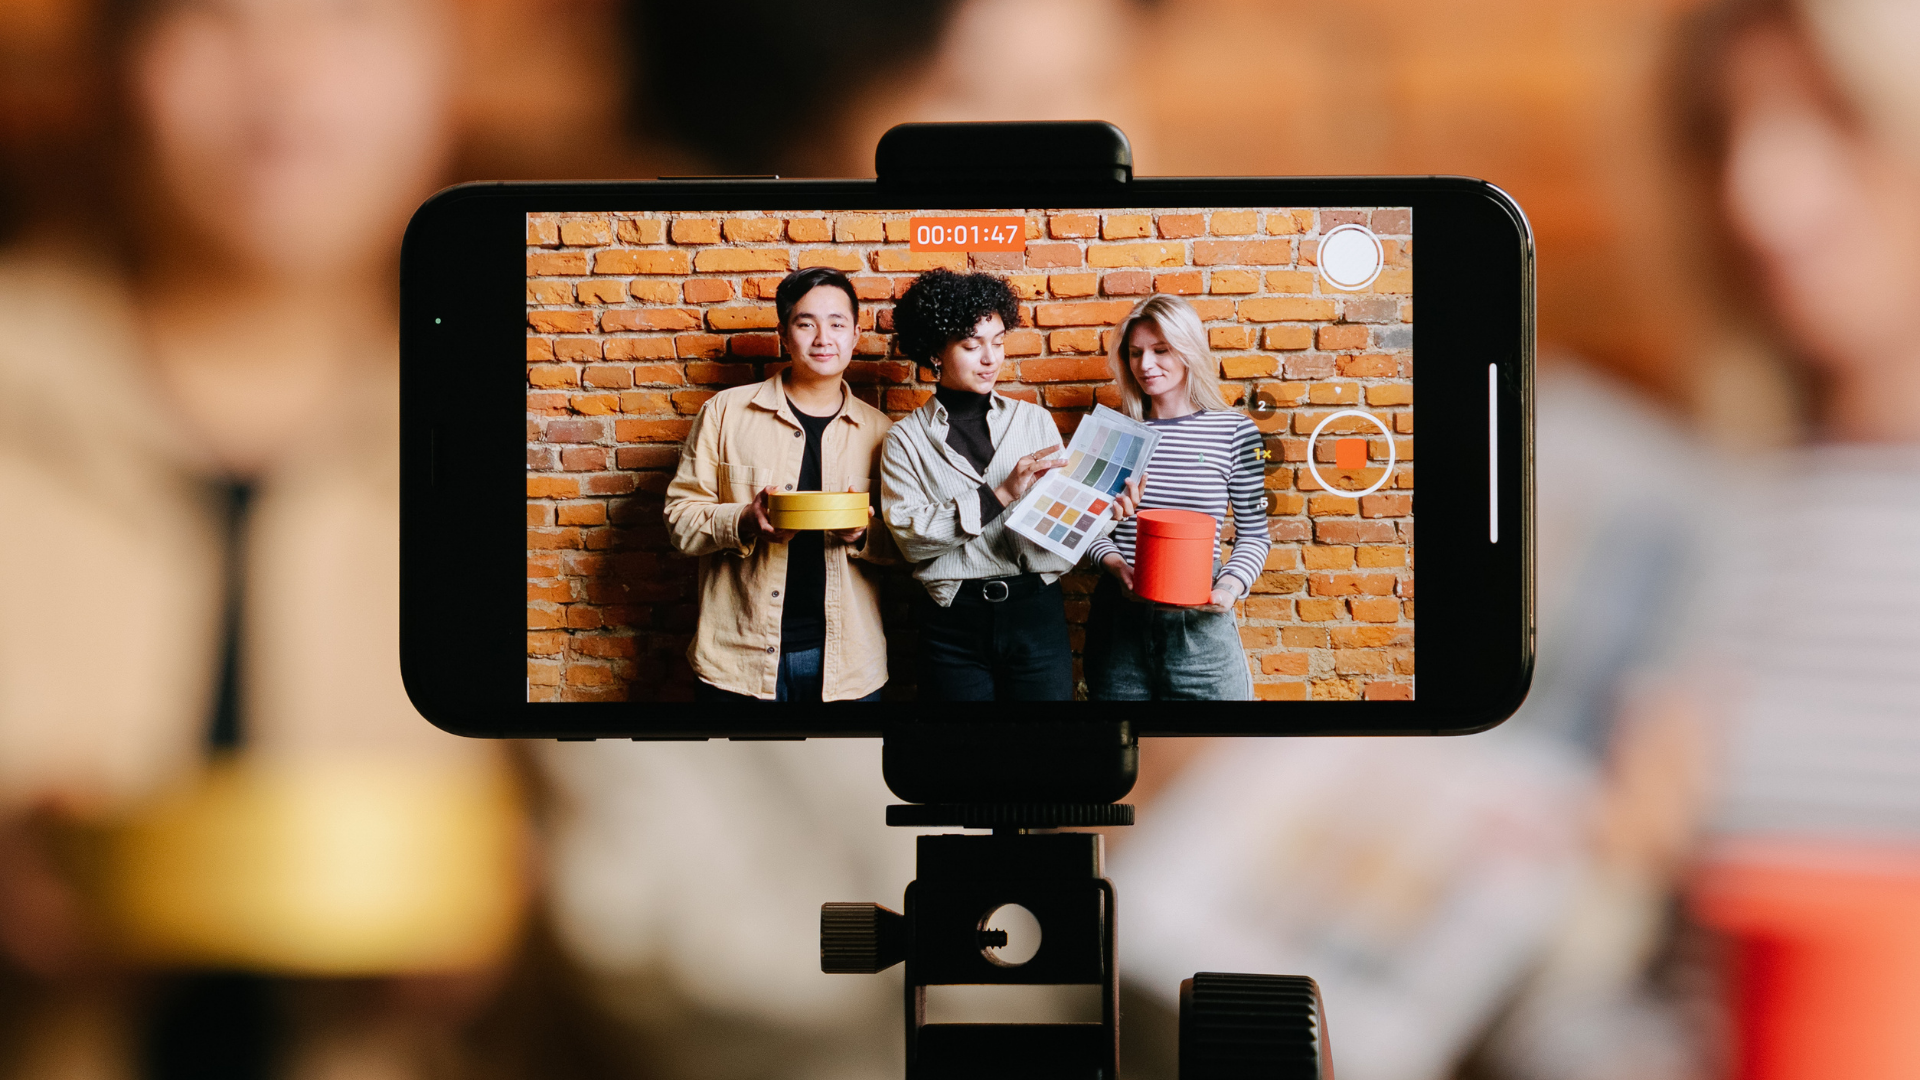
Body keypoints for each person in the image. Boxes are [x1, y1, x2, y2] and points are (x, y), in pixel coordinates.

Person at [664, 266, 894, 703]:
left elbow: (905, 544)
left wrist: (862, 533)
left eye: (837, 324)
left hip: (848, 666)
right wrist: (745, 521)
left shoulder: (882, 432)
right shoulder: (724, 413)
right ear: (784, 335)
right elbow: (679, 520)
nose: (823, 338)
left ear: (856, 334)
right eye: (806, 323)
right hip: (737, 661)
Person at [879, 268, 1074, 700]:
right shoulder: (905, 440)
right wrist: (1000, 494)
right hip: (952, 620)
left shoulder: (1034, 420)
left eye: (999, 340)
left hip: (1036, 611)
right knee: (963, 756)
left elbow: (1061, 525)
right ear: (934, 351)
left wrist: (1105, 512)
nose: (991, 358)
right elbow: (911, 537)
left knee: (1047, 753)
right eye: (972, 345)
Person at [1083, 294, 1266, 700]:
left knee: (1216, 754)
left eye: (1160, 350)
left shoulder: (1235, 432)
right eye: (1135, 353)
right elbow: (1087, 526)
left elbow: (1255, 535)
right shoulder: (1114, 434)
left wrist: (1230, 588)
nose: (1145, 365)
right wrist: (1116, 566)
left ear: (1188, 350)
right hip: (1120, 624)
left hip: (1201, 629)